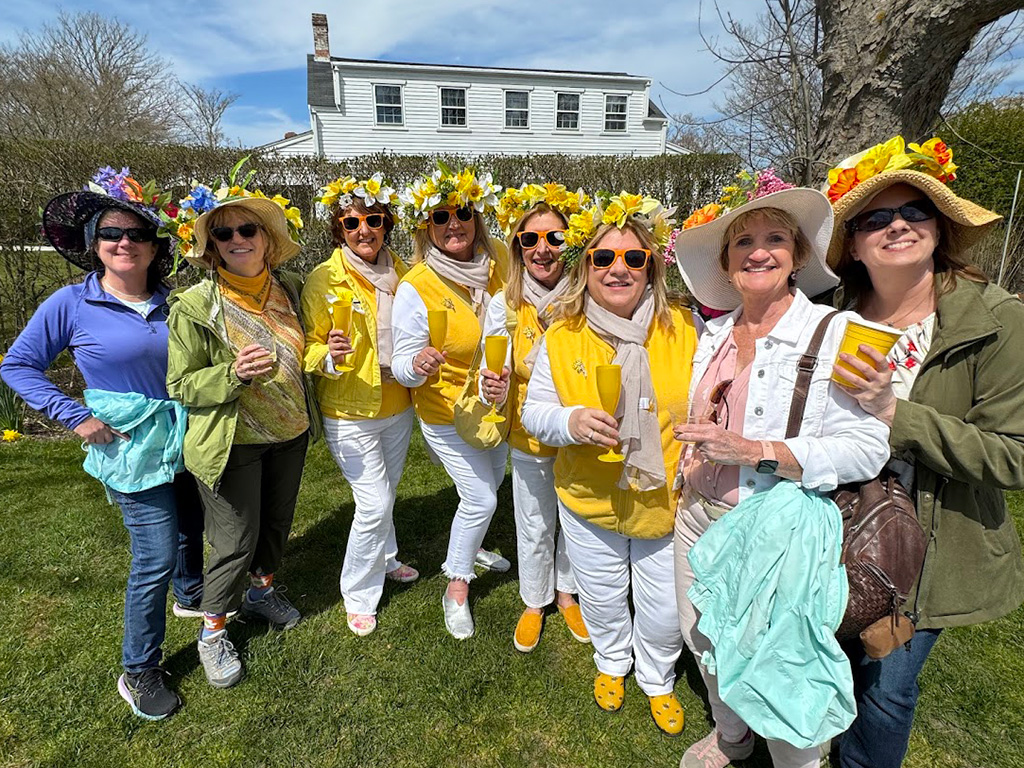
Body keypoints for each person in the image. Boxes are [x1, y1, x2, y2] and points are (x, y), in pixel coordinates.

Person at [671, 171, 891, 768]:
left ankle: (796, 760)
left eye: (775, 238)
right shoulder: (710, 333)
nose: (759, 251)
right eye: (743, 243)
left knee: (781, 657)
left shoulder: (838, 330)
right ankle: (732, 735)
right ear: (728, 262)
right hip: (696, 516)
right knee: (705, 638)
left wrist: (755, 451)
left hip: (775, 530)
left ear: (796, 257)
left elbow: (869, 445)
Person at [823, 136, 1024, 768]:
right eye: (876, 218)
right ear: (853, 243)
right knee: (833, 658)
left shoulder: (994, 319)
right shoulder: (832, 316)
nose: (898, 225)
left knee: (888, 686)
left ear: (940, 228)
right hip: (835, 524)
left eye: (915, 211)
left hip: (929, 541)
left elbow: (1012, 456)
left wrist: (893, 413)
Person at [0, 167, 204, 720]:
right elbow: (17, 365)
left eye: (137, 234)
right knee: (155, 553)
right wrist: (72, 415)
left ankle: (191, 597)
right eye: (112, 233)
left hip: (185, 437)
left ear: (155, 245)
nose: (124, 243)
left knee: (192, 527)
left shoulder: (174, 301)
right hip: (130, 447)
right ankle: (138, 669)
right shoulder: (71, 303)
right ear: (94, 244)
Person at [520, 193, 697, 736]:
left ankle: (658, 677)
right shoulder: (562, 334)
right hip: (588, 496)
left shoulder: (686, 331)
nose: (618, 268)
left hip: (662, 501)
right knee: (600, 596)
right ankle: (612, 662)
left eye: (633, 258)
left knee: (665, 608)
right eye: (603, 258)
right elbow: (534, 413)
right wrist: (570, 422)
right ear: (586, 267)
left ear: (651, 269)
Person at [165, 180, 318, 688]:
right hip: (232, 443)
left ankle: (262, 590)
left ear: (266, 239)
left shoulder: (290, 288)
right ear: (211, 247)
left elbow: (305, 350)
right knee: (235, 539)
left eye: (246, 228)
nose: (236, 238)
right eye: (223, 232)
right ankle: (212, 633)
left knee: (276, 524)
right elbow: (181, 384)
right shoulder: (193, 305)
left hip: (290, 432)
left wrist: (327, 350)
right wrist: (234, 375)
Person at [391, 163, 508, 640]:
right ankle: (456, 585)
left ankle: (474, 546)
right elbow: (399, 361)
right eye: (441, 216)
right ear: (427, 226)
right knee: (480, 497)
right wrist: (416, 364)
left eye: (462, 212)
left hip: (496, 404)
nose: (453, 223)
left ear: (476, 217)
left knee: (491, 485)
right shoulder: (416, 284)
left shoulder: (497, 263)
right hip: (444, 412)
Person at [302, 175, 417, 637]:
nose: (363, 229)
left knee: (386, 489)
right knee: (373, 503)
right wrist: (328, 354)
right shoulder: (324, 278)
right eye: (352, 222)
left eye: (373, 219)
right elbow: (306, 349)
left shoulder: (404, 273)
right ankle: (358, 592)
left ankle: (387, 558)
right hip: (349, 410)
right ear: (339, 229)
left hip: (398, 404)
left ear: (386, 224)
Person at [481, 184, 591, 653]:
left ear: (572, 243)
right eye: (530, 240)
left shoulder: (589, 296)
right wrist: (495, 386)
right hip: (528, 432)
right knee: (533, 520)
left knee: (575, 518)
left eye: (554, 239)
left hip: (580, 432)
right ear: (518, 247)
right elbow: (493, 364)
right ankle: (534, 599)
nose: (542, 250)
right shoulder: (504, 302)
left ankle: (567, 592)